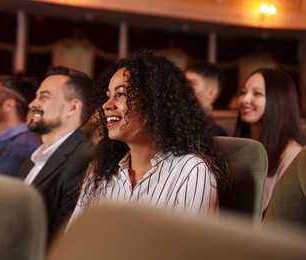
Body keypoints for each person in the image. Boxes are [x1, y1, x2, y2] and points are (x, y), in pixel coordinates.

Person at [69, 50, 228, 224]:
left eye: (121, 94)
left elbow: (189, 250)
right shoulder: (98, 171)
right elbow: (73, 240)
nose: (106, 105)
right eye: (108, 96)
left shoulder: (190, 171)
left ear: (153, 103)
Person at [16, 66, 96, 245]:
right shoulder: (31, 160)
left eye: (44, 96)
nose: (32, 104)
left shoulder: (85, 160)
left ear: (73, 108)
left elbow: (60, 241)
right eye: (36, 96)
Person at [234, 68, 305, 213]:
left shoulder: (292, 155)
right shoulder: (241, 145)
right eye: (243, 92)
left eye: (257, 93)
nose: (245, 99)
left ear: (278, 101)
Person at [185, 61, 228, 136]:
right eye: (182, 82)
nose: (183, 87)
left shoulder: (217, 134)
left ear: (211, 92)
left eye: (191, 83)